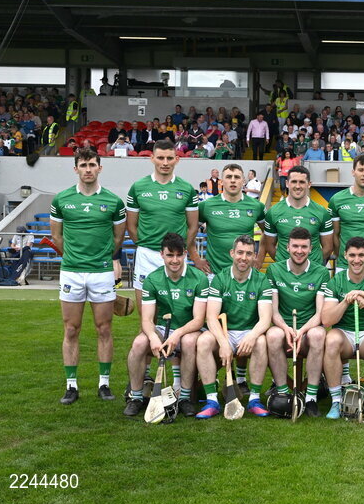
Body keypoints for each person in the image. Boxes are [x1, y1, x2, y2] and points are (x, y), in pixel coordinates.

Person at [49, 148, 127, 405]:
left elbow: (118, 238)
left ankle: (104, 384)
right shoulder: (61, 200)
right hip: (71, 272)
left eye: (92, 164)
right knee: (71, 329)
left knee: (104, 328)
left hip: (102, 272)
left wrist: (105, 258)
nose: (88, 169)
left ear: (100, 168)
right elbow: (57, 237)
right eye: (83, 165)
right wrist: (73, 258)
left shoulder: (114, 202)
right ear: (76, 169)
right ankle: (71, 386)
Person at [123, 232, 208, 418]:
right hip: (162, 328)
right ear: (162, 254)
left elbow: (199, 319)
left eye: (179, 255)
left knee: (188, 342)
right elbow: (146, 320)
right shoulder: (153, 279)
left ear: (185, 253)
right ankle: (136, 397)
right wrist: (153, 338)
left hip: (188, 329)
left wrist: (177, 333)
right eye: (170, 255)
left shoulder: (198, 278)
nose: (175, 260)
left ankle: (184, 397)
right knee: (139, 344)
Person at [125, 138, 203, 323]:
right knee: (146, 318)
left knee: (179, 316)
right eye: (160, 158)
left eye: (169, 158)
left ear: (177, 159)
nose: (165, 163)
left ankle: (176, 351)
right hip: (146, 256)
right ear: (152, 158)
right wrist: (145, 245)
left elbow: (193, 226)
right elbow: (131, 226)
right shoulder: (138, 187)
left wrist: (182, 249)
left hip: (175, 257)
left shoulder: (186, 189)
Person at [195, 235, 272, 418]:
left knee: (261, 342)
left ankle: (254, 399)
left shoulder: (262, 280)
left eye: (248, 253)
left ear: (254, 256)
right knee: (204, 340)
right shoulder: (220, 279)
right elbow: (211, 317)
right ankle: (212, 400)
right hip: (225, 332)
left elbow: (265, 319)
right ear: (232, 253)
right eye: (239, 253)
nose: (243, 258)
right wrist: (223, 343)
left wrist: (252, 336)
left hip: (249, 330)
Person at [263, 227, 332, 417]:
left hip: (308, 330)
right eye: (295, 246)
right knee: (272, 334)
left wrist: (301, 331)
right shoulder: (274, 270)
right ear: (287, 247)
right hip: (284, 328)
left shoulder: (321, 272)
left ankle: (310, 398)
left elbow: (320, 314)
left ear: (311, 249)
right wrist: (286, 328)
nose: (299, 250)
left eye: (304, 247)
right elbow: (273, 311)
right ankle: (283, 393)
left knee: (319, 334)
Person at [321, 237, 364, 419]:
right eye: (352, 255)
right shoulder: (336, 280)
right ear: (345, 256)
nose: (356, 260)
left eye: (361, 255)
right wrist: (346, 300)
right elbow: (327, 320)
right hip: (344, 332)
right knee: (331, 339)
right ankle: (336, 401)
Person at [199, 164, 266, 277]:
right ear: (222, 181)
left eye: (237, 177)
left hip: (245, 274)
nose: (233, 181)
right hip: (214, 274)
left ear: (243, 180)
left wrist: (260, 258)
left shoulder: (256, 206)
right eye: (229, 177)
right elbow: (189, 231)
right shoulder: (206, 205)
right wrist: (196, 258)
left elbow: (269, 234)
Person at [261, 165, 333, 266]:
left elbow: (328, 247)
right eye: (294, 182)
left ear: (309, 184)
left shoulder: (322, 212)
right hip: (284, 273)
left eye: (302, 182)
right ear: (287, 183)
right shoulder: (273, 212)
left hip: (312, 273)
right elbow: (269, 246)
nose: (298, 186)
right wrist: (283, 264)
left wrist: (313, 264)